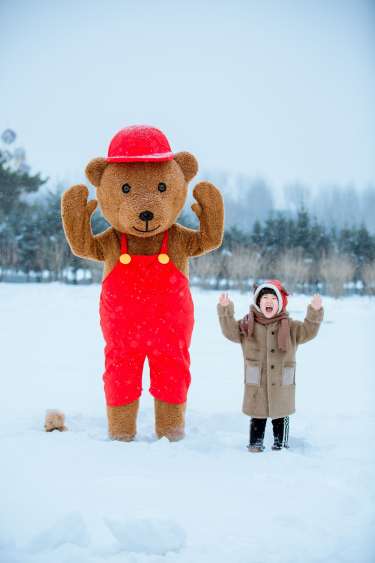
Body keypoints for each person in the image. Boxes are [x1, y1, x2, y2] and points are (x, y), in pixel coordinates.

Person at [217, 280, 323, 452]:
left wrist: (315, 312)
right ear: (258, 302)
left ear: (280, 303)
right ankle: (255, 445)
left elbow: (308, 331)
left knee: (281, 415)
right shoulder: (247, 325)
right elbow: (230, 331)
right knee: (257, 416)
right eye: (264, 297)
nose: (268, 301)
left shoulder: (290, 327)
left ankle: (281, 446)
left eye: (273, 298)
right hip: (256, 381)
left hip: (282, 381)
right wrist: (225, 310)